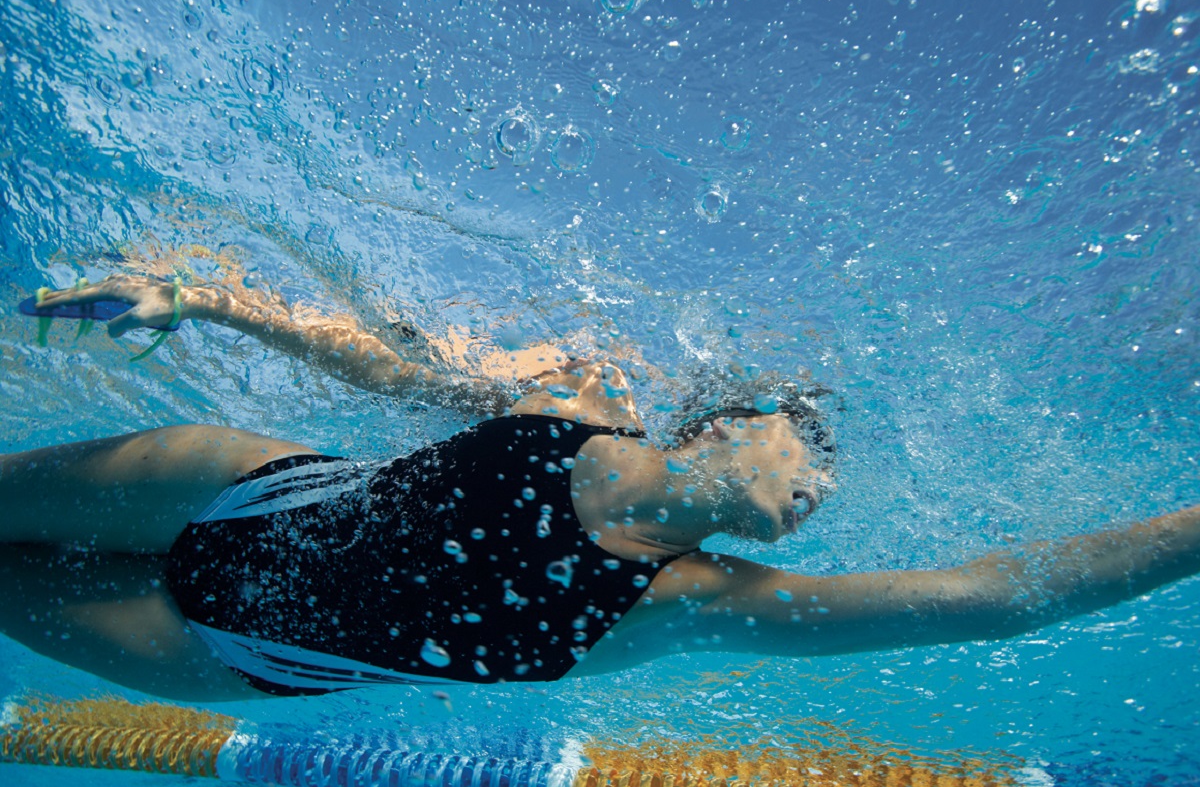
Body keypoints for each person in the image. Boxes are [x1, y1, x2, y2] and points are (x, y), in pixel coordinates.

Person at [1, 275, 1197, 702]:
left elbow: (995, 598)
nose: (814, 488)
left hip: (222, 653)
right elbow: (380, 353)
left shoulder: (693, 600)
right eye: (808, 451)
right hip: (224, 488)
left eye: (821, 484)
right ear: (735, 424)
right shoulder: (572, 405)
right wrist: (203, 300)